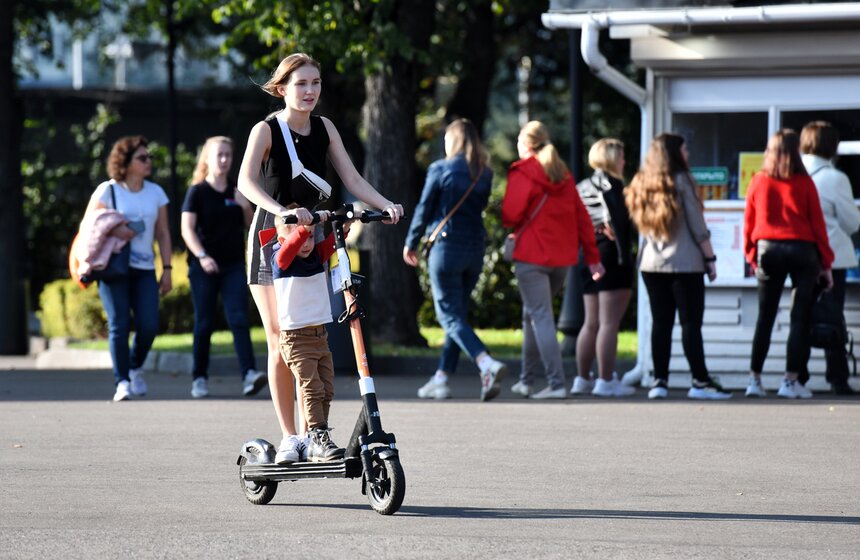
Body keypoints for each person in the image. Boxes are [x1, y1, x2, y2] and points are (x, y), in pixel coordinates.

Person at [237, 53, 403, 463]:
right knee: (279, 338)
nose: (310, 91)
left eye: (315, 83)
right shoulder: (266, 130)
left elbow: (351, 178)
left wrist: (385, 204)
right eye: (301, 84)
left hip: (313, 240)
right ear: (282, 89)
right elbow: (245, 181)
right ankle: (290, 436)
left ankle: (316, 431)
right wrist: (280, 211)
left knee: (309, 335)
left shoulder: (325, 128)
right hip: (272, 240)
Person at [403, 118, 508, 401]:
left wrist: (411, 242)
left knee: (448, 315)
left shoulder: (440, 169)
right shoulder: (483, 173)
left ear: (454, 140)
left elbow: (425, 209)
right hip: (475, 250)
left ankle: (486, 362)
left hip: (445, 249)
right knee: (457, 315)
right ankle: (441, 378)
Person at [501, 121, 604, 400]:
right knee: (532, 315)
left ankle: (557, 383)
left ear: (527, 145)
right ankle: (526, 380)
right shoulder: (563, 175)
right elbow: (582, 218)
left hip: (532, 257)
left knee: (541, 317)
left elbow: (510, 215)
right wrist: (593, 258)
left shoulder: (523, 172)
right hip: (562, 260)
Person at [625, 133, 728, 400]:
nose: (688, 154)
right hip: (686, 264)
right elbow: (697, 226)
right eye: (684, 149)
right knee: (690, 324)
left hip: (651, 264)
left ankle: (659, 381)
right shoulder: (682, 181)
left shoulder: (640, 182)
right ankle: (700, 381)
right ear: (673, 153)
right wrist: (710, 259)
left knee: (661, 323)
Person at [744, 129, 835, 399]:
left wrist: (751, 254)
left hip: (768, 249)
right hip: (802, 251)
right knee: (799, 317)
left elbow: (749, 221)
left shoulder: (759, 181)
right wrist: (826, 264)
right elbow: (818, 226)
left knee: (765, 316)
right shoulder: (804, 183)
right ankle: (790, 381)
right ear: (796, 152)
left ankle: (754, 380)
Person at [84, 136, 172, 401]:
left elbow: (163, 233)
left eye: (149, 157)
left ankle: (134, 367)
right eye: (142, 158)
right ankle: (122, 381)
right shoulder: (107, 191)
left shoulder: (156, 192)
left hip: (144, 268)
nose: (149, 162)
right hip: (113, 267)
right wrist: (116, 228)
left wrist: (166, 268)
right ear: (125, 162)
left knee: (149, 325)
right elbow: (89, 228)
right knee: (119, 325)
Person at [181, 136, 265, 399]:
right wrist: (202, 256)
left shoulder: (236, 191)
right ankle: (199, 378)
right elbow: (187, 230)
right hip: (204, 266)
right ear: (207, 158)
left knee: (239, 319)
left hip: (233, 266)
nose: (225, 160)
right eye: (219, 155)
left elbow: (252, 226)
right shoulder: (197, 192)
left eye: (228, 155)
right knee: (204, 322)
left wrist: (244, 208)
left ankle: (249, 374)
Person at [272, 209, 346, 463]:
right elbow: (290, 248)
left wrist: (346, 223)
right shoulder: (280, 259)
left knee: (326, 388)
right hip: (296, 339)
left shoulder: (316, 257)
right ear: (281, 239)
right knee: (311, 388)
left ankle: (317, 437)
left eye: (311, 237)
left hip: (320, 336)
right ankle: (317, 435)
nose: (306, 243)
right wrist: (305, 226)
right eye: (300, 237)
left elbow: (333, 243)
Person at [571, 138, 635, 398]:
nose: (624, 161)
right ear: (610, 158)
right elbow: (619, 227)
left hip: (587, 254)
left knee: (591, 322)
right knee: (609, 323)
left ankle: (582, 378)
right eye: (620, 156)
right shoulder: (614, 186)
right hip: (611, 255)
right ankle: (606, 380)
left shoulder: (581, 186)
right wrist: (627, 258)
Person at [800, 121, 859, 395]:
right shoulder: (834, 178)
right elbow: (852, 222)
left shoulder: (792, 174)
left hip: (800, 256)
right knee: (832, 317)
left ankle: (795, 375)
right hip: (832, 257)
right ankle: (837, 378)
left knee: (800, 315)